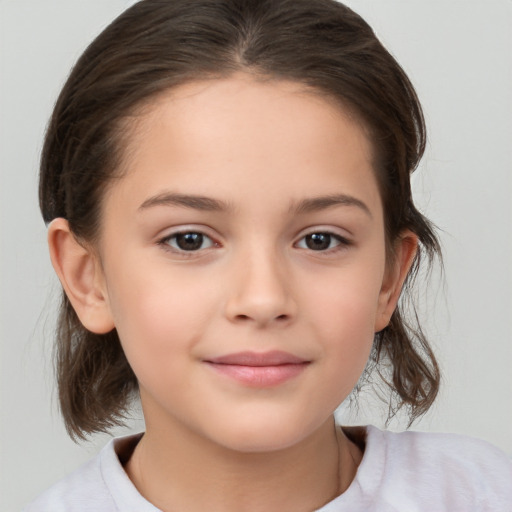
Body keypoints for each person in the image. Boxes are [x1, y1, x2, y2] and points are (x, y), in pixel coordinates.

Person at [24, 0, 512, 510]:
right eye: (189, 239)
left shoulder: (484, 494)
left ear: (389, 277)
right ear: (87, 277)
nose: (262, 299)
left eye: (320, 239)